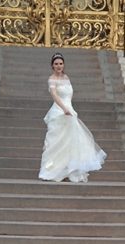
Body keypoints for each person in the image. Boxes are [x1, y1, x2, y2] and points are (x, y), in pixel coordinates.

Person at [38, 53, 106, 183]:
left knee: (71, 142)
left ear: (64, 65)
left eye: (61, 63)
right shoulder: (52, 79)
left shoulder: (66, 77)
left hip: (70, 111)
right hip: (59, 112)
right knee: (56, 143)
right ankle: (51, 170)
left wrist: (70, 109)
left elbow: (69, 94)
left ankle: (68, 169)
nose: (59, 66)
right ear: (52, 65)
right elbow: (54, 95)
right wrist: (64, 109)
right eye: (56, 64)